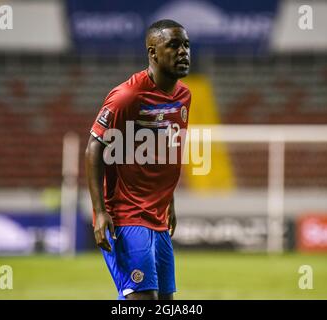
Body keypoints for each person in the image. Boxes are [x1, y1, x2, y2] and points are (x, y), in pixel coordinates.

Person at [85, 19, 191, 300]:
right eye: (174, 45)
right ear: (153, 53)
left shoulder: (183, 96)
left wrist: (169, 200)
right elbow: (94, 148)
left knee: (165, 302)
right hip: (125, 214)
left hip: (157, 215)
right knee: (143, 300)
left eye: (187, 45)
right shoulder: (127, 96)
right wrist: (99, 212)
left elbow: (166, 152)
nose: (184, 52)